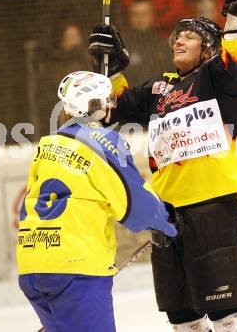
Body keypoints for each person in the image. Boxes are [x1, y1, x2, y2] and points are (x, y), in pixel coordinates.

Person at [89, 0, 237, 332]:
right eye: (176, 36)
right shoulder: (158, 88)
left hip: (212, 208)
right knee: (184, 321)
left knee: (227, 319)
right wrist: (111, 69)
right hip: (166, 215)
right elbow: (111, 112)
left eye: (189, 36)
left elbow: (236, 62)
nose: (177, 40)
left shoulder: (219, 79)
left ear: (209, 48)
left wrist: (234, 14)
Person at [16, 71, 177, 332]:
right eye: (107, 100)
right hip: (75, 266)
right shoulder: (104, 142)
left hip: (33, 263)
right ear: (97, 106)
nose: (112, 105)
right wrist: (166, 223)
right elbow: (135, 202)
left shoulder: (47, 144)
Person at [123, 0, 174, 87]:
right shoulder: (120, 45)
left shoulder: (162, 45)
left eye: (144, 14)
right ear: (129, 17)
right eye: (135, 14)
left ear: (152, 16)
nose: (140, 19)